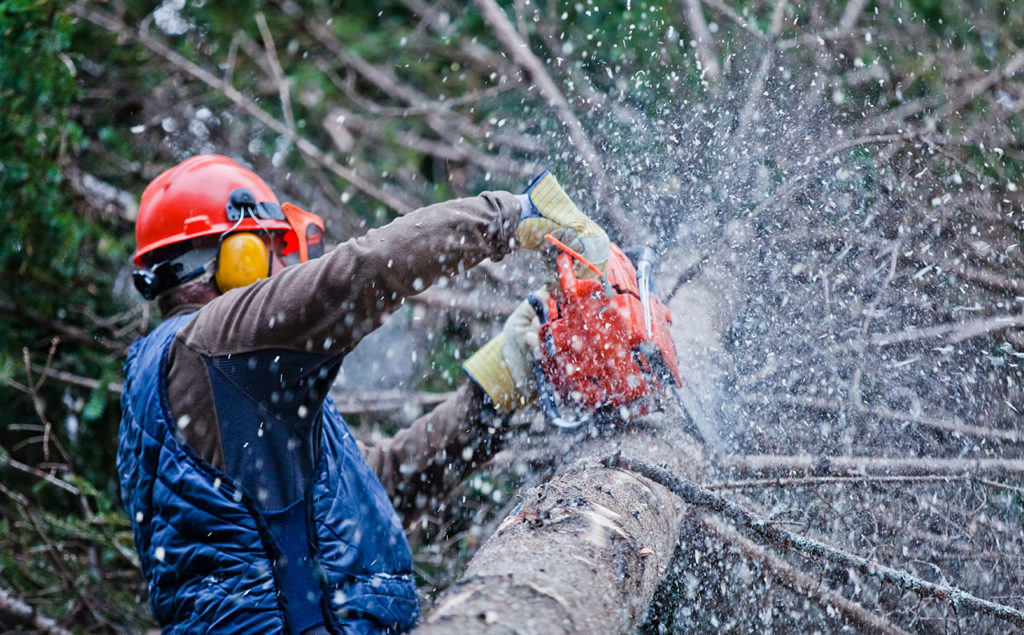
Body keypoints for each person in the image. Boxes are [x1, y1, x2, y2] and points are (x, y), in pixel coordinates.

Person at [118, 154, 608, 634]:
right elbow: (358, 274)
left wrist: (493, 390)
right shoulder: (215, 345)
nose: (281, 268)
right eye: (269, 248)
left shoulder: (212, 380)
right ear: (235, 258)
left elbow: (374, 492)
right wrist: (511, 215)